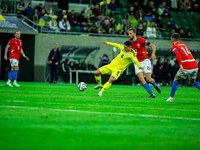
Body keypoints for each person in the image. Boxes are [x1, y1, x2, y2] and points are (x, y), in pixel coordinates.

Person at [128, 28, 161, 98]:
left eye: (130, 33)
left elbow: (153, 45)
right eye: (128, 33)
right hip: (137, 63)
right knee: (141, 79)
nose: (129, 35)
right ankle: (152, 94)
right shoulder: (129, 43)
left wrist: (153, 54)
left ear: (134, 34)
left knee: (148, 79)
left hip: (145, 61)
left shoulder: (141, 40)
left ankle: (154, 84)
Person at [167, 33, 200, 102]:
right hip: (194, 65)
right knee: (192, 82)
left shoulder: (174, 47)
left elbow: (177, 55)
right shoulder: (184, 45)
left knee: (176, 79)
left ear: (172, 39)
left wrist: (181, 66)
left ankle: (171, 98)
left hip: (187, 66)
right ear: (179, 39)